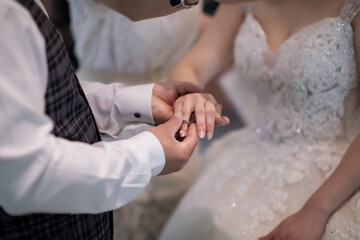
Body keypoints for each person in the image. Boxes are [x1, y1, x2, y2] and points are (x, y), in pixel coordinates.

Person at [0, 0, 232, 239]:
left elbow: (47, 92)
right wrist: (151, 152)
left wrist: (138, 101)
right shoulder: (7, 13)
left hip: (145, 124)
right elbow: (26, 174)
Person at [159, 0, 360, 239]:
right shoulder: (240, 3)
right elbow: (191, 65)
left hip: (338, 173)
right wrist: (192, 96)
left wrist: (317, 209)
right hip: (247, 156)